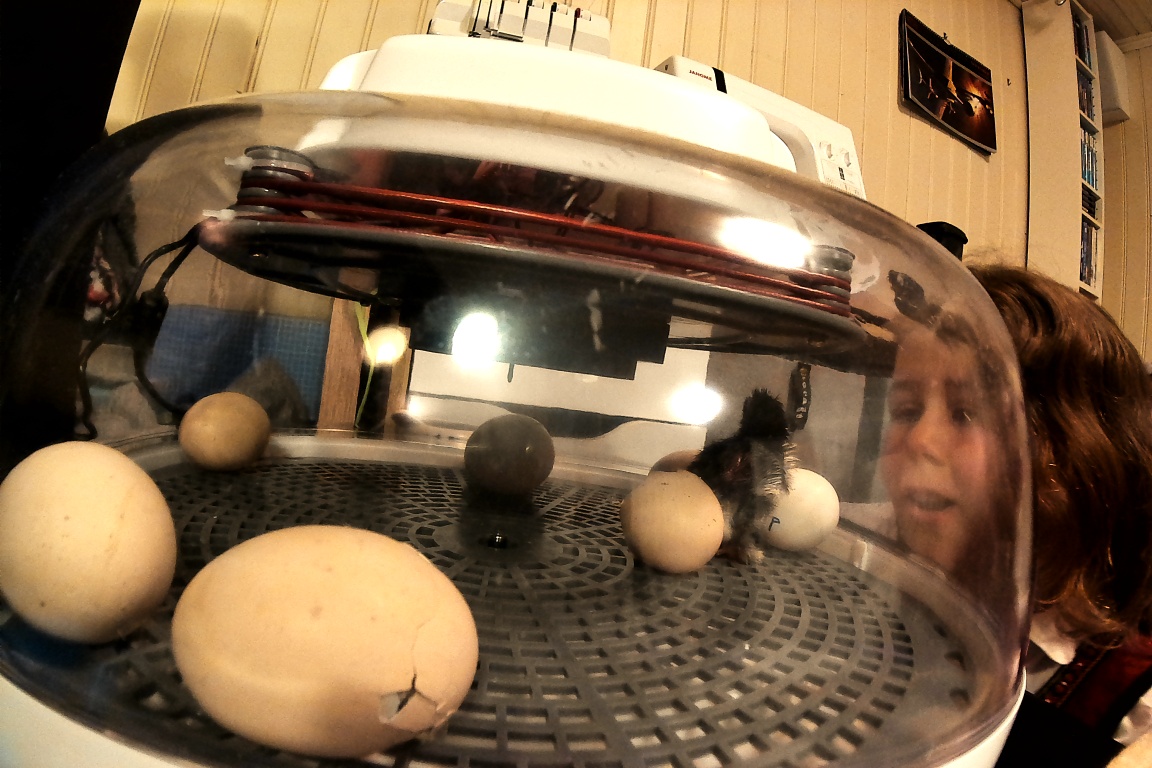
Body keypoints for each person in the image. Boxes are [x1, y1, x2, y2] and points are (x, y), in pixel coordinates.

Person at [970, 265, 1152, 747]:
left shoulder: (1135, 703)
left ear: (1084, 455)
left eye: (966, 413)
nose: (920, 442)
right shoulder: (885, 582)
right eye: (906, 409)